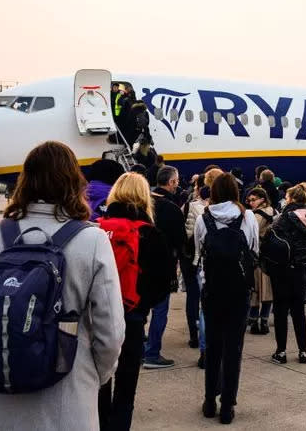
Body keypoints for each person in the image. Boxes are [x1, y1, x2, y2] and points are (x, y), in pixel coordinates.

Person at [0, 141, 124, 431]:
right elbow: (111, 331)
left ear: (24, 181)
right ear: (74, 181)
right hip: (66, 398)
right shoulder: (93, 240)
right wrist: (92, 375)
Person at [98, 173, 174, 431]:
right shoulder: (151, 234)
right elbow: (165, 284)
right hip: (131, 317)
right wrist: (141, 305)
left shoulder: (96, 229)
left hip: (97, 318)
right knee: (125, 389)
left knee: (98, 385)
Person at [194, 173, 259, 424]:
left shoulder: (203, 218)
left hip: (212, 291)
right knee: (234, 349)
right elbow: (253, 248)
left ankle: (210, 400)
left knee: (213, 347)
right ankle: (228, 406)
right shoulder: (247, 216)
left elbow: (201, 252)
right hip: (239, 291)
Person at [268, 186, 306, 364]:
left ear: (290, 199)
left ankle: (281, 351)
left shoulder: (285, 217)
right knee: (299, 312)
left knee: (281, 311)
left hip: (283, 268)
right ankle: (303, 351)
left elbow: (272, 233)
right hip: (302, 268)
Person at [143, 165, 186, 369]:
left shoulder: (143, 202)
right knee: (160, 310)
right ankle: (152, 353)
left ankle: (139, 346)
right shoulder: (171, 208)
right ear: (171, 183)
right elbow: (180, 240)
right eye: (177, 181)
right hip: (163, 265)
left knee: (139, 308)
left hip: (139, 264)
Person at [183, 174, 207, 353]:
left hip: (194, 258)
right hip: (210, 259)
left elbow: (187, 233)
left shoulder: (190, 206)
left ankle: (194, 334)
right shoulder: (232, 210)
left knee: (194, 296)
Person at [246, 187, 275, 335]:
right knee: (268, 290)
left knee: (256, 289)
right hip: (271, 257)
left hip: (259, 257)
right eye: (249, 200)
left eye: (253, 200)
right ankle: (264, 320)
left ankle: (255, 320)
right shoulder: (274, 211)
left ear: (262, 199)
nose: (250, 203)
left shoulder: (257, 215)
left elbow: (251, 232)